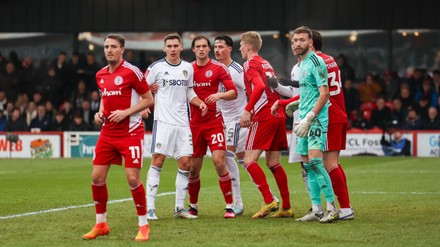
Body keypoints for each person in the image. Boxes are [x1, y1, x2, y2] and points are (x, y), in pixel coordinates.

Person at [82, 34, 154, 241]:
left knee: (132, 179)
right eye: (106, 47)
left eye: (114, 46)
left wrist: (127, 112)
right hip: (108, 132)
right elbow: (105, 97)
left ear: (122, 49)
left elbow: (148, 100)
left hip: (130, 132)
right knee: (96, 177)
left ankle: (143, 225)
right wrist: (100, 113)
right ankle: (101, 224)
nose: (109, 50)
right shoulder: (100, 75)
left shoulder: (132, 72)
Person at [144, 33, 207, 220]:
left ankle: (179, 208)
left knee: (186, 164)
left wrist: (200, 102)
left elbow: (189, 92)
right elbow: (140, 87)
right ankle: (149, 208)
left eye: (175, 46)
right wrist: (146, 103)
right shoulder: (156, 67)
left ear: (181, 47)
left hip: (182, 123)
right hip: (163, 122)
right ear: (164, 49)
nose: (172, 49)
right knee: (157, 161)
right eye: (169, 46)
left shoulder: (188, 68)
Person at [239, 31, 292, 219]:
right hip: (278, 114)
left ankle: (269, 199)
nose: (240, 48)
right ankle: (286, 206)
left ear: (248, 47)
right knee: (273, 163)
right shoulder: (266, 63)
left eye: (241, 45)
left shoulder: (250, 64)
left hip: (264, 114)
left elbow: (260, 87)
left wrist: (248, 109)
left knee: (249, 161)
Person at [290, 26, 338, 223]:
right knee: (307, 165)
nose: (297, 44)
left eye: (301, 40)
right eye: (294, 41)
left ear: (310, 42)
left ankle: (332, 208)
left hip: (315, 120)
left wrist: (309, 117)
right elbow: (310, 93)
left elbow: (325, 93)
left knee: (316, 162)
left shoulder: (316, 62)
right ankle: (317, 209)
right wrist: (296, 104)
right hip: (304, 119)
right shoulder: (301, 65)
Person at [187, 35, 237, 219]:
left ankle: (230, 206)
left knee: (218, 161)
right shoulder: (187, 69)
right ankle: (193, 206)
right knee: (193, 169)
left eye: (204, 46)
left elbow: (233, 92)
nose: (201, 49)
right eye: (197, 46)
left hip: (214, 122)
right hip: (194, 125)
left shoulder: (218, 68)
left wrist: (219, 96)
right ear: (193, 49)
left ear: (209, 49)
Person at [213, 34, 248, 215]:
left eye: (221, 47)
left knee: (227, 156)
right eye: (215, 47)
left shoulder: (237, 70)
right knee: (245, 161)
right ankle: (270, 196)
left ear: (229, 49)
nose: (217, 50)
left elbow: (252, 89)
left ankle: (238, 202)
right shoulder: (213, 68)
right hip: (222, 121)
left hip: (237, 120)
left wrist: (250, 112)